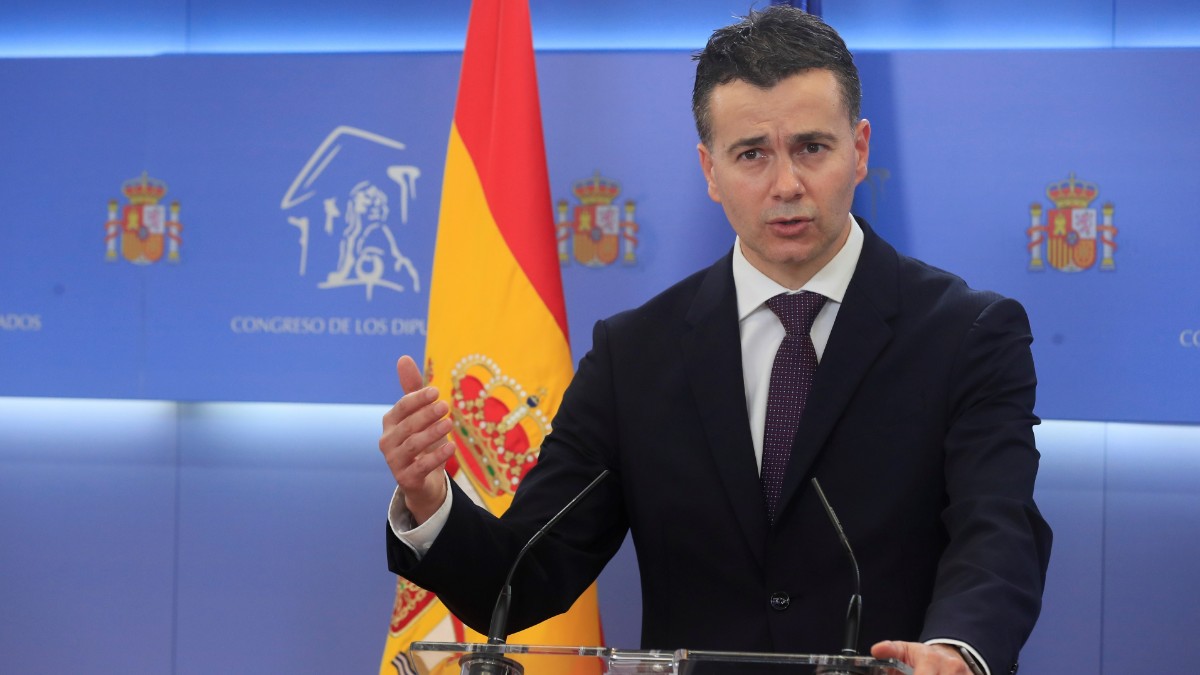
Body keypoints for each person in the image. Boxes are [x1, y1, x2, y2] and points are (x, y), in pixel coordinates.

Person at [380, 7, 1051, 675]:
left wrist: (957, 651)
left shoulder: (967, 334)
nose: (786, 185)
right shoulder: (635, 356)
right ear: (709, 169)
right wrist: (432, 502)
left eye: (812, 148)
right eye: (752, 154)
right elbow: (524, 575)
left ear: (860, 149)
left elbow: (998, 531)